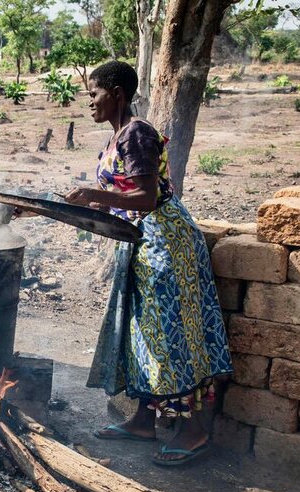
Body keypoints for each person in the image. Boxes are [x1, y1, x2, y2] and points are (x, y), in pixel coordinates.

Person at [63, 61, 233, 466]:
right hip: (142, 245)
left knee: (173, 336)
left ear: (117, 93)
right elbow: (112, 200)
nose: (89, 101)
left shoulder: (136, 133)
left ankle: (193, 431)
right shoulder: (115, 139)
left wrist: (93, 195)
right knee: (143, 335)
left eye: (94, 93)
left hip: (165, 244)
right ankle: (143, 420)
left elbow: (145, 197)